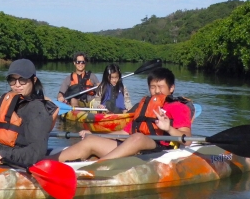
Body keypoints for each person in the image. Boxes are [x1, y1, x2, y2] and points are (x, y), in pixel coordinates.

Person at [55, 67, 192, 162]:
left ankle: (99, 164)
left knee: (138, 137)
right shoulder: (144, 105)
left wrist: (168, 128)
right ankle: (43, 163)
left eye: (160, 87)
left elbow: (188, 139)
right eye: (152, 87)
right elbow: (125, 132)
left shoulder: (178, 107)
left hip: (158, 150)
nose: (156, 91)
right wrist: (95, 134)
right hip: (132, 146)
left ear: (171, 88)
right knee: (90, 141)